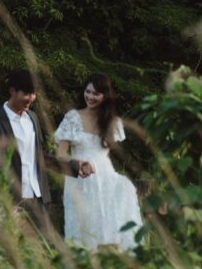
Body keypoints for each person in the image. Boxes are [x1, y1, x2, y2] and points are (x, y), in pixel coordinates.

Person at [0, 68, 93, 230]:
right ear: (12, 91)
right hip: (12, 201)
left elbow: (41, 157)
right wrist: (2, 203)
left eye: (34, 93)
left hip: (39, 199)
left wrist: (75, 166)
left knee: (41, 250)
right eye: (26, 93)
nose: (31, 98)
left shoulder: (32, 119)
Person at [55, 72, 143, 251]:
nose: (90, 96)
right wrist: (78, 163)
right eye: (88, 91)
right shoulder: (73, 117)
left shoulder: (112, 121)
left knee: (110, 224)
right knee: (83, 228)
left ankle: (111, 267)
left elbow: (104, 155)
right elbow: (61, 154)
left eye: (96, 93)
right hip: (80, 177)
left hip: (105, 177)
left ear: (105, 96)